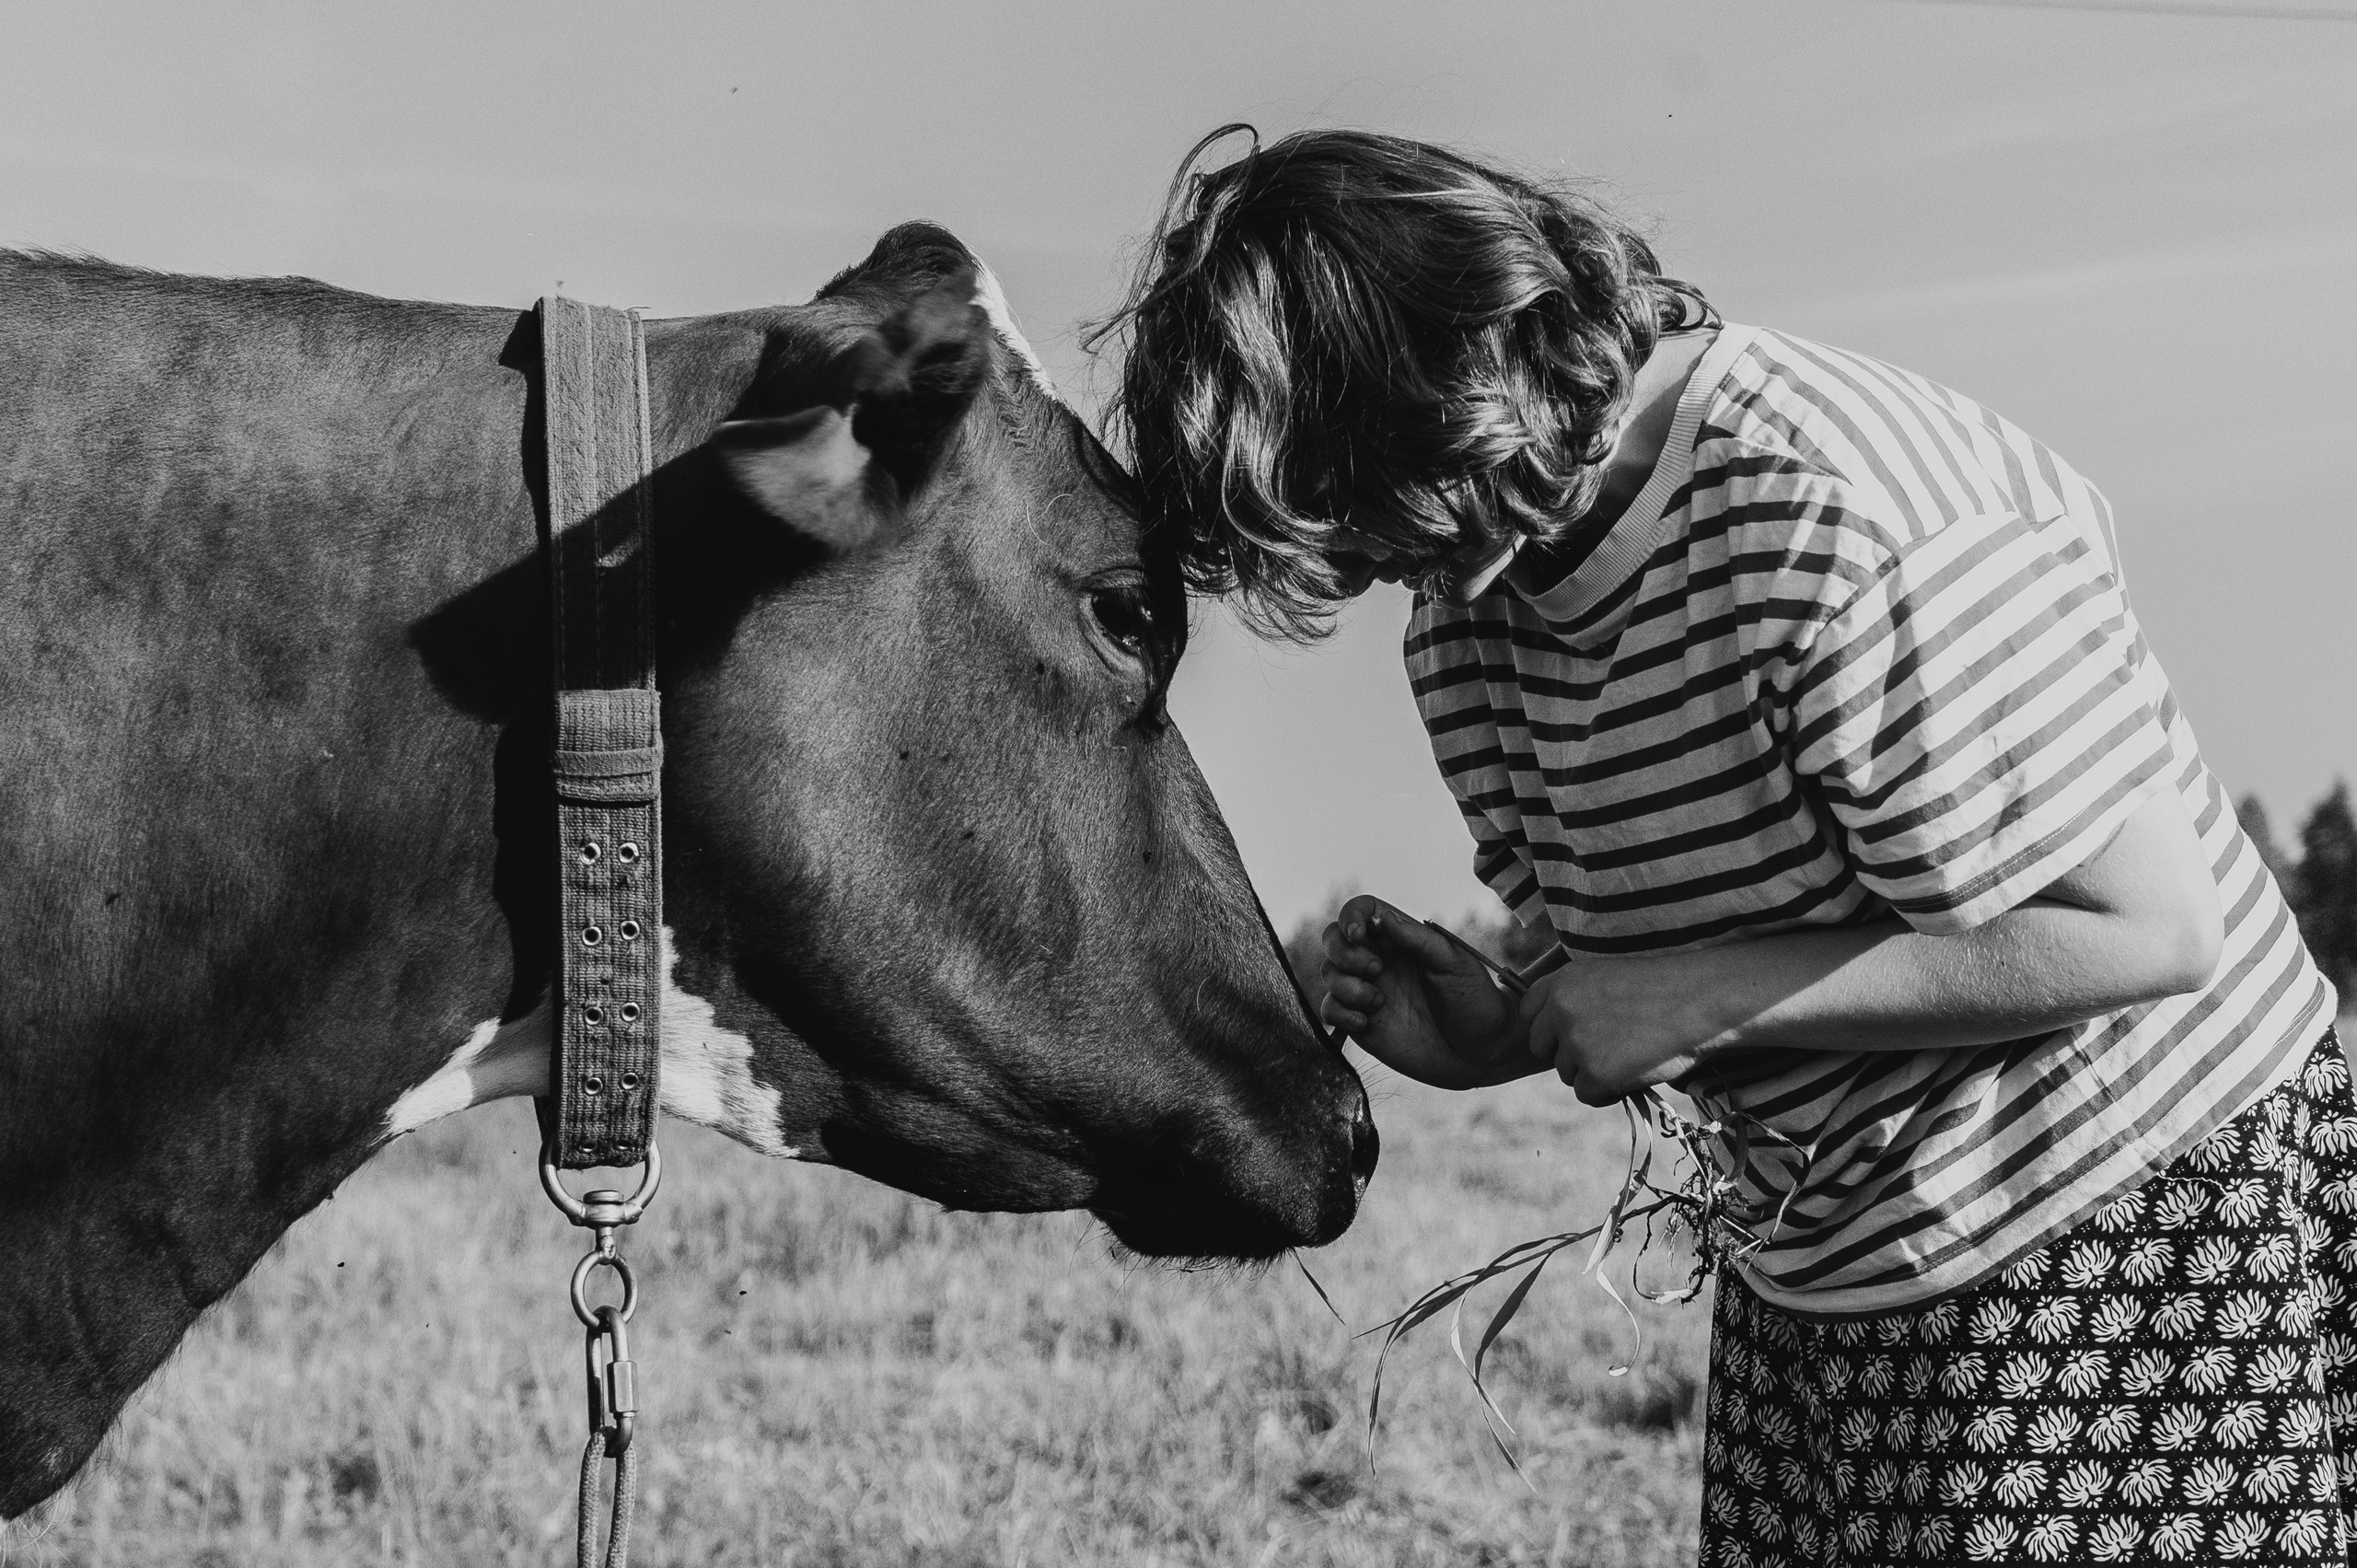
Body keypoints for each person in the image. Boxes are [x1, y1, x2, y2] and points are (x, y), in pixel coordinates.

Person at [1094, 125, 2347, 1565]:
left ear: (1449, 364)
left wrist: (1698, 997)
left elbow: (2149, 930)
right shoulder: (1471, 621)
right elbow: (1677, 959)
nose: (1367, 568)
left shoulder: (1839, 506)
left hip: (2117, 1243)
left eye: (1359, 506)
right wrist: (1519, 1025)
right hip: (1834, 1275)